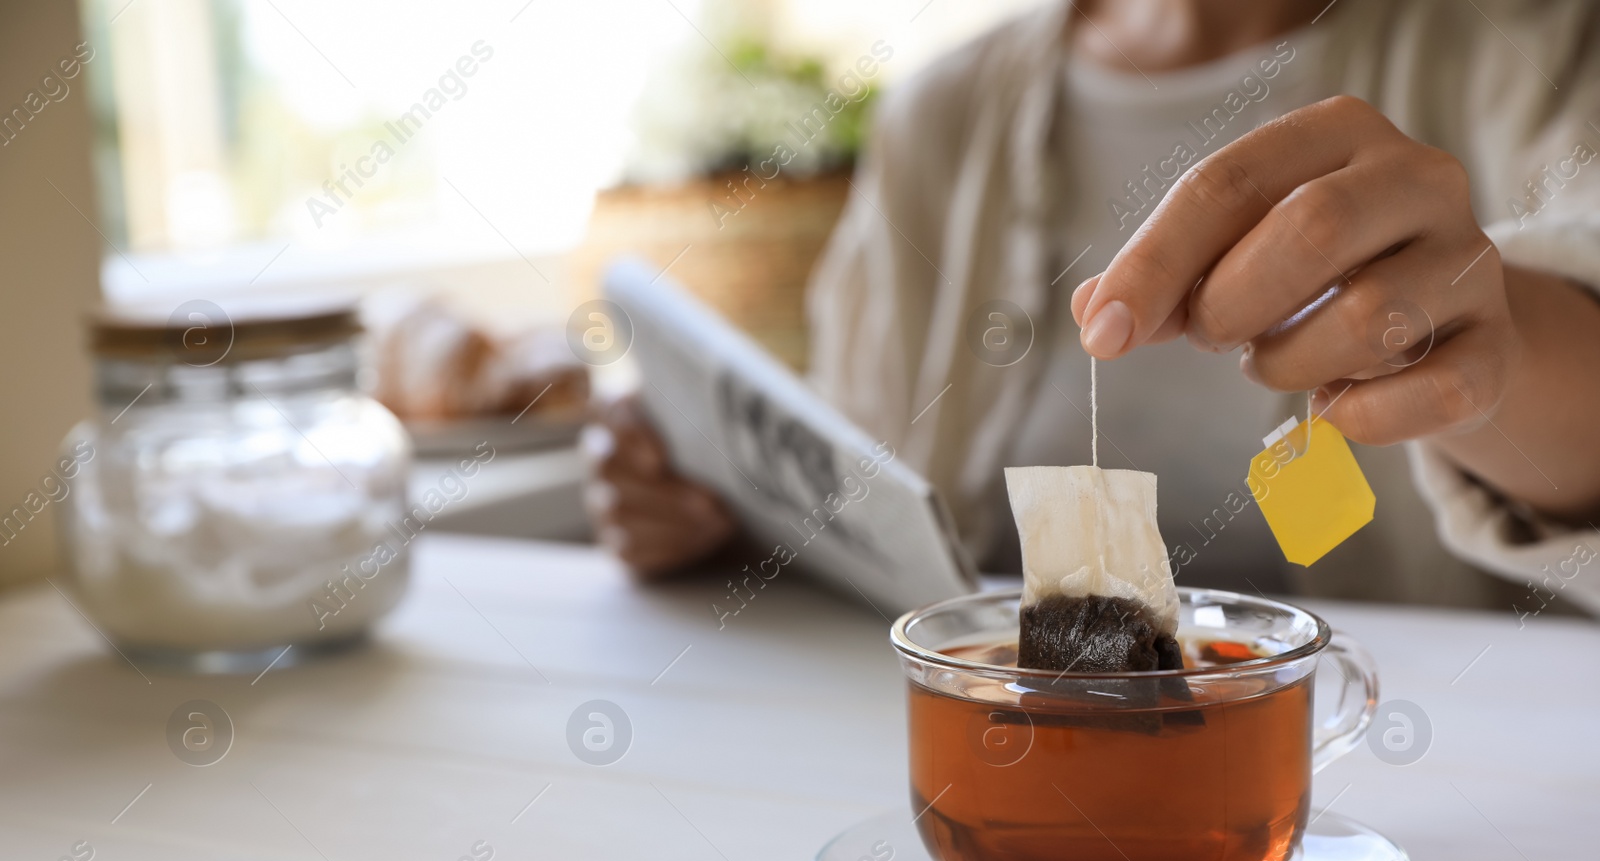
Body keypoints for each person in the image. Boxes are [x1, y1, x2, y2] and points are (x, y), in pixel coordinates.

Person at [588, 0, 1600, 617]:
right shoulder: (938, 119)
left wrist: (1496, 353)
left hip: (1415, 825)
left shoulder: (1543, 49)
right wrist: (730, 514)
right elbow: (869, 483)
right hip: (1001, 785)